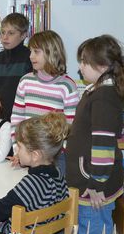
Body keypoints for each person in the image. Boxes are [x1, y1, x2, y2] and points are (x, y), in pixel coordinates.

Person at [66, 34, 124, 234]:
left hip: (93, 184)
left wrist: (96, 184)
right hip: (89, 180)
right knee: (89, 230)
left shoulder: (103, 97)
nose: (80, 67)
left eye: (84, 62)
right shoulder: (96, 91)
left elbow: (104, 145)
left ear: (102, 66)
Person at [9, 30, 79, 173]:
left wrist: (55, 154)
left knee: (55, 194)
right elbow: (17, 119)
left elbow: (70, 127)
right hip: (28, 154)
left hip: (55, 159)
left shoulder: (67, 86)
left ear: (51, 52)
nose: (31, 56)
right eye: (30, 51)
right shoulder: (25, 81)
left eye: (36, 51)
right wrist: (18, 150)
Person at [0, 13, 33, 121]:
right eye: (3, 32)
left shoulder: (30, 59)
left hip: (21, 119)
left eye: (11, 33)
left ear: (23, 35)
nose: (5, 37)